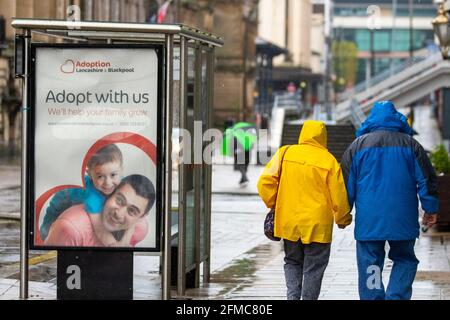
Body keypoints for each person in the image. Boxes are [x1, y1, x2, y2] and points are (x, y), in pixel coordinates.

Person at [341, 100, 439, 300]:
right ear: (397, 119)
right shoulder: (411, 145)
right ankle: (396, 296)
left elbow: (345, 184)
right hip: (402, 217)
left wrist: (343, 212)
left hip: (369, 219)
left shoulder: (357, 146)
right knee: (405, 259)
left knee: (370, 262)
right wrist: (430, 209)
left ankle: (373, 297)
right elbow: (427, 180)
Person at [257, 120, 352, 300]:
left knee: (292, 261)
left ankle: (293, 297)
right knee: (314, 267)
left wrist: (274, 204)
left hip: (289, 222)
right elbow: (338, 195)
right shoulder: (329, 160)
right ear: (323, 137)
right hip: (318, 226)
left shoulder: (285, 153)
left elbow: (264, 182)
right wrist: (342, 219)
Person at [44, 174, 155, 247]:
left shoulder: (140, 228)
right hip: (65, 198)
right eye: (119, 200)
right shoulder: (72, 227)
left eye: (132, 211)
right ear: (110, 194)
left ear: (142, 216)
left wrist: (124, 242)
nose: (119, 214)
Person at [40, 144, 123, 240]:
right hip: (65, 197)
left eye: (113, 175)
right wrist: (115, 244)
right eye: (100, 176)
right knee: (48, 227)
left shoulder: (123, 183)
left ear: (121, 170)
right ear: (90, 174)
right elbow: (99, 229)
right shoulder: (92, 195)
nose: (108, 183)